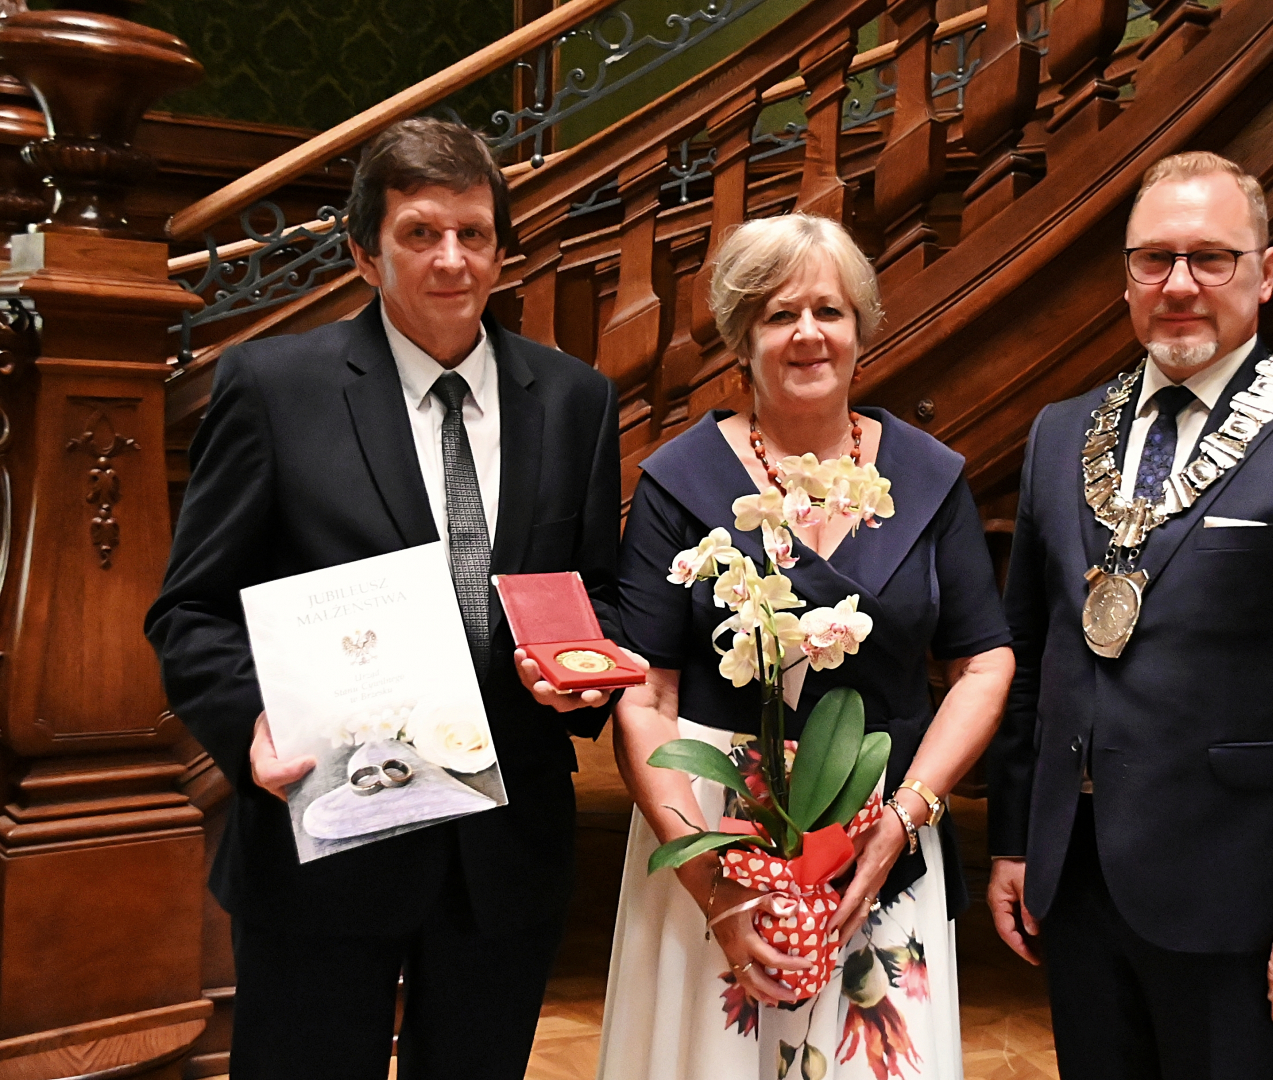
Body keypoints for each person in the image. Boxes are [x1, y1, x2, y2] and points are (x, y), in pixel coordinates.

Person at [145, 118, 625, 1080]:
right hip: (327, 843)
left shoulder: (577, 400)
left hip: (504, 856)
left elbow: (594, 593)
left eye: (473, 233)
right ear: (367, 254)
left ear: (501, 250)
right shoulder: (275, 389)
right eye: (420, 233)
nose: (452, 259)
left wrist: (582, 678)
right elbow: (189, 609)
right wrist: (249, 723)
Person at [987, 151, 1273, 1079]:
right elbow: (1032, 654)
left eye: (1211, 258)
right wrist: (1015, 840)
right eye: (1154, 259)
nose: (1179, 284)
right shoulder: (1060, 434)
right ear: (1127, 278)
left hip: (1245, 900)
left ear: (1265, 273)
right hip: (1076, 881)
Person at [598, 213, 1014, 1080]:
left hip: (881, 845)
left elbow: (983, 662)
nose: (808, 333)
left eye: (830, 310)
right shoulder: (679, 482)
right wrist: (713, 890)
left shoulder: (927, 477)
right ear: (739, 337)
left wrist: (905, 818)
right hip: (718, 842)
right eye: (779, 314)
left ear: (861, 329)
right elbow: (646, 694)